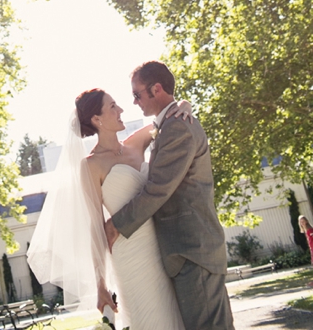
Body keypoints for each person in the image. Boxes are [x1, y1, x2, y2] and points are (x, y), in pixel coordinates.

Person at [27, 83, 191, 329]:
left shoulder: (136, 144)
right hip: (130, 255)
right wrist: (100, 284)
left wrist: (185, 105)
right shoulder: (90, 166)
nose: (122, 110)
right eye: (113, 106)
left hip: (163, 247)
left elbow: (168, 117)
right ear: (97, 119)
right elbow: (95, 227)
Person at [105, 61, 234, 330]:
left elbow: (158, 188)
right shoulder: (169, 124)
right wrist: (184, 102)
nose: (134, 102)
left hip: (193, 251)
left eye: (137, 94)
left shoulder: (176, 127)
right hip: (188, 252)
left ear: (157, 89)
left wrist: (116, 224)